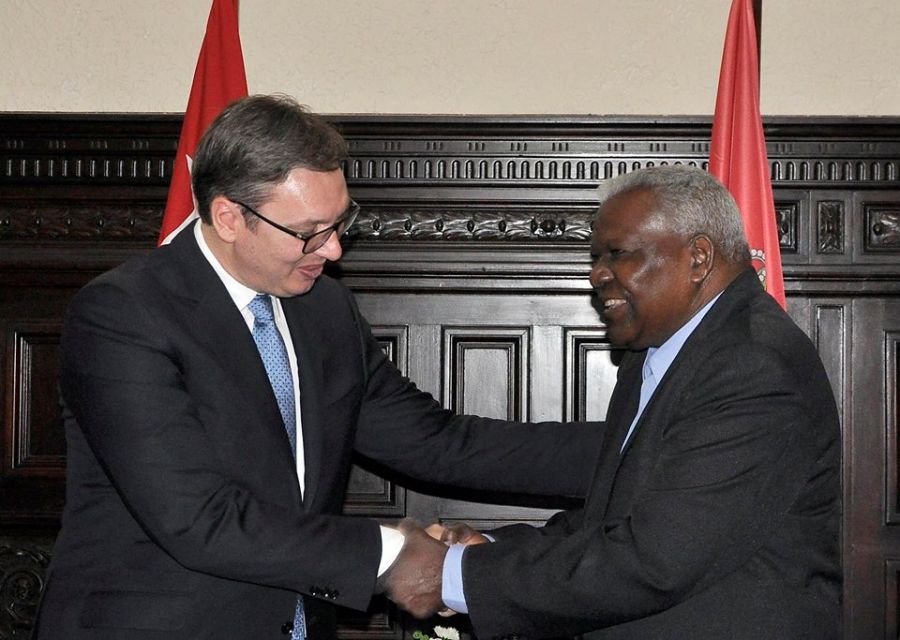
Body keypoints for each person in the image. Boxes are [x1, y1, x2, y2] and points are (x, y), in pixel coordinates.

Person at [34, 94, 602, 640]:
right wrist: (396, 556)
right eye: (308, 232)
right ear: (229, 217)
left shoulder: (323, 309)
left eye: (339, 222)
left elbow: (437, 443)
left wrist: (644, 445)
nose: (332, 251)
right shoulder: (124, 314)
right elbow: (199, 520)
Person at [384, 165, 842, 639]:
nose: (596, 274)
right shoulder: (660, 353)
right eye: (596, 256)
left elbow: (653, 561)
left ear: (699, 258)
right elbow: (615, 518)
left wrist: (453, 576)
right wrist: (485, 552)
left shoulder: (752, 366)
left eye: (617, 254)